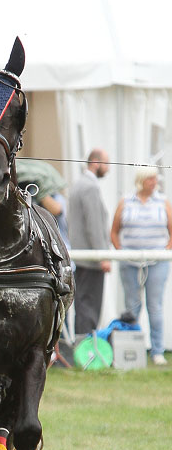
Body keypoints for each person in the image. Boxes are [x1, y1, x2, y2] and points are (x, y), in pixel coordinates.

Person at [110, 166, 172, 365]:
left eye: (156, 179)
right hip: (129, 263)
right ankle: (131, 350)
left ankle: (157, 351)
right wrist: (121, 252)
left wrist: (165, 251)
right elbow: (114, 231)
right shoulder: (126, 202)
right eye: (151, 179)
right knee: (132, 306)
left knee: (155, 306)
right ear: (141, 181)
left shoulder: (163, 202)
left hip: (157, 262)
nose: (154, 183)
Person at [68, 149, 111, 336]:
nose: (108, 168)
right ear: (95, 162)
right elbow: (93, 225)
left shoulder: (79, 184)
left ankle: (82, 345)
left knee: (83, 303)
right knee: (90, 305)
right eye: (106, 163)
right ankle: (86, 348)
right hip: (91, 256)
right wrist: (102, 255)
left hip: (82, 255)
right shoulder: (90, 187)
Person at [15, 158, 70, 247]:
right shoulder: (25, 197)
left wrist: (40, 190)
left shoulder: (56, 197)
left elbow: (57, 210)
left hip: (58, 247)